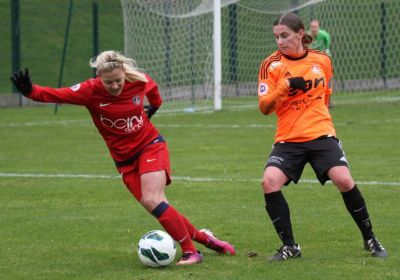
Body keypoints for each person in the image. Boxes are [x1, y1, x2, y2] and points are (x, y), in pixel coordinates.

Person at [10, 50, 235, 265]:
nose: (115, 85)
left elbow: (154, 91)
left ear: (124, 73)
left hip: (150, 146)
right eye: (109, 82)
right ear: (98, 78)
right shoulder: (89, 91)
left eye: (118, 80)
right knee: (159, 206)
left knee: (152, 199)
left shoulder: (138, 80)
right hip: (124, 161)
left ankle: (191, 253)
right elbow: (55, 95)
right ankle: (208, 240)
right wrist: (30, 91)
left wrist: (154, 107)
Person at [257, 13, 387, 261]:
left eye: (284, 36)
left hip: (321, 134)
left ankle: (370, 238)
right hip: (288, 138)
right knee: (269, 182)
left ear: (300, 33)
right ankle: (290, 247)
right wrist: (283, 88)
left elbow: (326, 95)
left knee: (344, 180)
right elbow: (264, 107)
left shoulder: (323, 60)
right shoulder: (270, 65)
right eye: (276, 37)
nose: (280, 42)